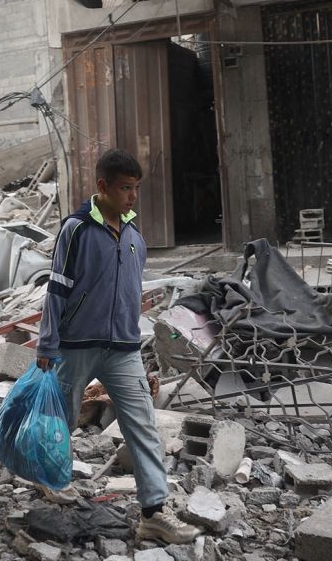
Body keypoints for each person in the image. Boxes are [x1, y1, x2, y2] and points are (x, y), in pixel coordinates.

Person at [35, 149, 200, 544]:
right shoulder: (75, 229)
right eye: (125, 188)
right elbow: (57, 287)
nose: (132, 197)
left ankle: (154, 512)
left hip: (123, 349)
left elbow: (130, 292)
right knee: (62, 417)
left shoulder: (134, 237)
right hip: (76, 345)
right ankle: (52, 479)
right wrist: (47, 341)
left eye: (137, 189)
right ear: (102, 187)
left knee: (143, 423)